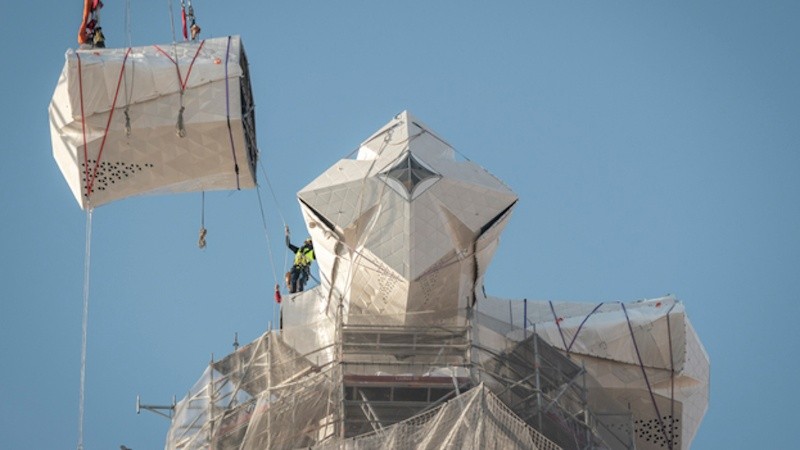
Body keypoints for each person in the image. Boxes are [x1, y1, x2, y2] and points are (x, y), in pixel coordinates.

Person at [285, 227, 315, 293]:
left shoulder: (312, 252)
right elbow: (288, 245)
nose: (308, 244)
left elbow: (318, 254)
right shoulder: (299, 250)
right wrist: (287, 235)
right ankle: (293, 293)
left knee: (301, 280)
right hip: (296, 268)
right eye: (308, 242)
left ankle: (299, 292)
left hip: (304, 269)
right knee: (293, 280)